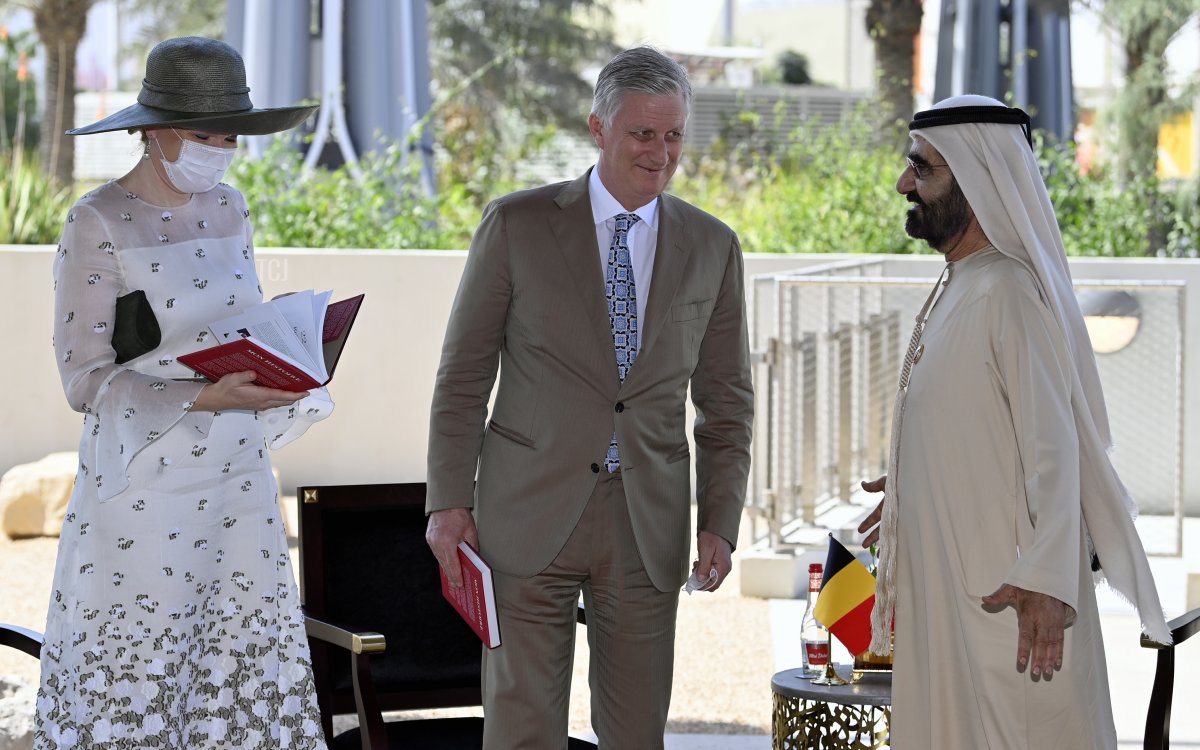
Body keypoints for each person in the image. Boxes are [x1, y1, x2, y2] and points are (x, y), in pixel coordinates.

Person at [425, 46, 754, 748]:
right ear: (598, 129)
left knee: (636, 733)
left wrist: (720, 518)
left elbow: (726, 402)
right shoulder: (515, 226)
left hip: (648, 523)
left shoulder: (714, 246)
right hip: (526, 514)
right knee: (521, 730)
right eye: (642, 134)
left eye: (673, 136)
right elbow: (462, 378)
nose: (660, 153)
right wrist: (448, 503)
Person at [38, 37, 328, 749]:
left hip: (239, 486)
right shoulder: (97, 219)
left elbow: (237, 325)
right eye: (205, 134)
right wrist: (204, 398)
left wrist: (285, 355)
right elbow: (84, 378)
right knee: (145, 670)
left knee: (238, 672)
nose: (222, 149)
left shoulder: (232, 207)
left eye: (232, 134)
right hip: (142, 492)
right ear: (153, 127)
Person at [856, 94, 1171, 749]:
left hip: (1010, 621)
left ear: (978, 176)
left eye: (922, 169)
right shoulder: (962, 282)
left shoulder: (1008, 291)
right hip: (958, 609)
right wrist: (914, 482)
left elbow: (1056, 453)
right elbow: (977, 425)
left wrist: (1048, 583)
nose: (903, 184)